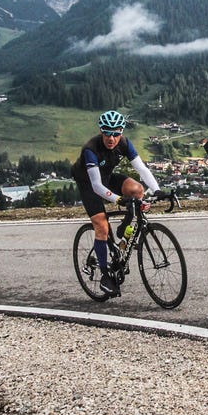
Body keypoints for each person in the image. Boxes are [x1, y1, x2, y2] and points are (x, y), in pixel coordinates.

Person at [72, 109, 167, 299]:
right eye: (107, 132)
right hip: (89, 184)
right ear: (101, 131)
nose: (111, 137)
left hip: (107, 177)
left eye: (116, 133)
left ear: (121, 132)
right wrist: (117, 199)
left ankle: (125, 232)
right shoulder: (91, 149)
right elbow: (97, 186)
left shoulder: (124, 143)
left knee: (137, 190)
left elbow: (141, 169)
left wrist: (157, 190)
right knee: (101, 226)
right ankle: (106, 277)